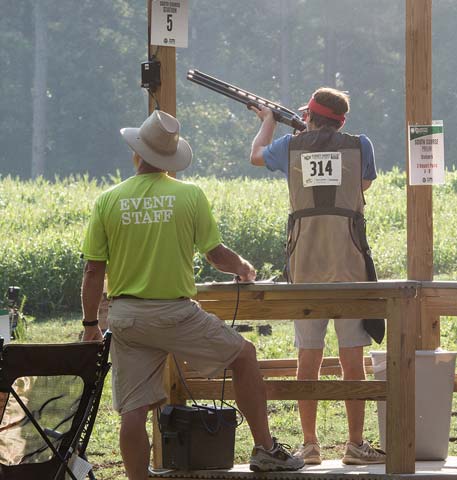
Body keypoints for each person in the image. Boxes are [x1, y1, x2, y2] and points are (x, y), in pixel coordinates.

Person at [80, 110, 304, 479]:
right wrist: (244, 269)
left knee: (133, 409)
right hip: (176, 314)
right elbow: (215, 254)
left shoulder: (108, 200)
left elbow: (93, 269)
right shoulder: (188, 195)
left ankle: (138, 478)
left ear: (136, 154)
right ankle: (265, 447)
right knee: (244, 356)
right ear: (170, 158)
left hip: (127, 318)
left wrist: (91, 323)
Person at [249, 88, 385, 465]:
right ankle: (355, 445)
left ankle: (310, 445)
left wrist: (268, 122)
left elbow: (256, 156)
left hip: (305, 266)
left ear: (309, 114)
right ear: (341, 119)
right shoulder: (361, 145)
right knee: (352, 360)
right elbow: (363, 185)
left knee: (307, 358)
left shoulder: (291, 147)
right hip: (350, 265)